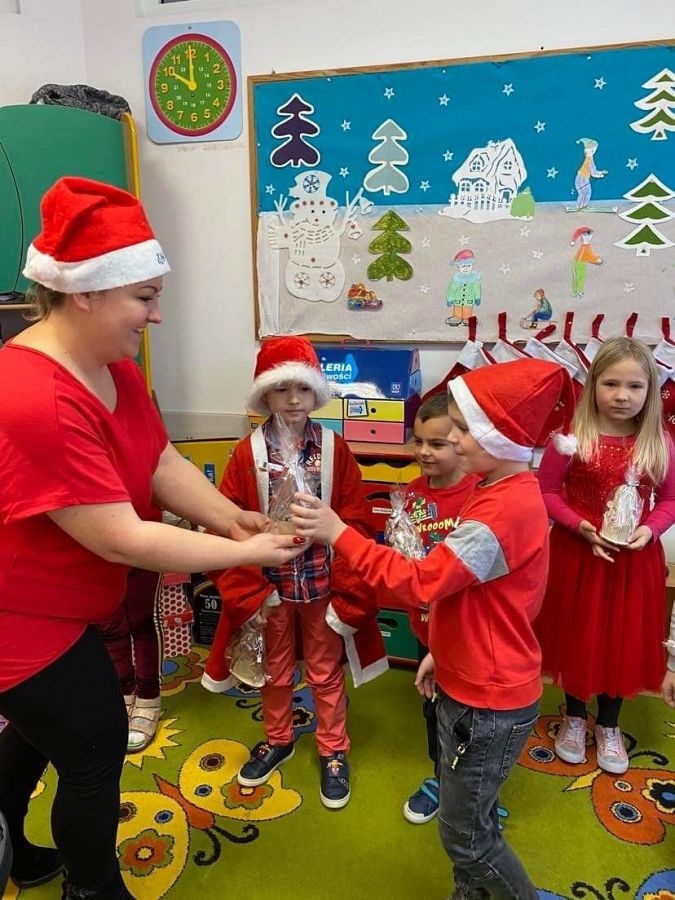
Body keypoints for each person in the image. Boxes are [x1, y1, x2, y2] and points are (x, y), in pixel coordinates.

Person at [0, 176, 305, 900]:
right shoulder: (36, 397)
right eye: (144, 297)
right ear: (86, 292)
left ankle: (15, 844)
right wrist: (246, 552)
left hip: (65, 606)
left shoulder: (113, 367)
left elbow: (159, 461)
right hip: (21, 619)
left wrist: (229, 516)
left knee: (46, 733)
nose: (157, 314)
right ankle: (93, 889)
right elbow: (122, 539)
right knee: (94, 748)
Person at [291, 357, 576, 899]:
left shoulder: (500, 512)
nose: (456, 439)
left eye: (465, 429)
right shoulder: (496, 490)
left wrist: (340, 534)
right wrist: (442, 651)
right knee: (468, 816)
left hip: (488, 701)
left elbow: (422, 582)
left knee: (467, 839)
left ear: (500, 438)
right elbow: (471, 597)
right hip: (470, 679)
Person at [201, 336, 386, 811]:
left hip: (322, 583)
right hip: (272, 589)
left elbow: (356, 515)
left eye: (302, 388)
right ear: (265, 394)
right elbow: (228, 520)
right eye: (281, 389)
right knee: (275, 671)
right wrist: (250, 587)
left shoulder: (334, 448)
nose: (293, 399)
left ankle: (333, 748)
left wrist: (345, 571)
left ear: (315, 393)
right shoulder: (248, 453)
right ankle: (278, 738)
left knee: (325, 671)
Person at [535, 337, 675, 775]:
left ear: (650, 390)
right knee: (579, 636)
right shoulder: (571, 438)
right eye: (611, 384)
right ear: (593, 384)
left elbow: (670, 500)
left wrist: (650, 530)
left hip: (634, 563)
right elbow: (545, 491)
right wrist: (580, 526)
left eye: (634, 386)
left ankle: (610, 724)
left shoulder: (660, 442)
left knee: (621, 639)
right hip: (578, 557)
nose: (622, 395)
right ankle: (575, 717)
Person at [398, 392, 479, 825]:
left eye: (437, 443)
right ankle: (440, 777)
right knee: (432, 707)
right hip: (424, 626)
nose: (424, 452)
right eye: (418, 441)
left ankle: (475, 793)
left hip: (467, 630)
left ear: (462, 442)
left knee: (470, 715)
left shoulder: (480, 493)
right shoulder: (411, 494)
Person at [98, 567, 163, 753]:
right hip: (96, 555)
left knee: (143, 619)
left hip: (142, 553)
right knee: (109, 624)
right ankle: (124, 692)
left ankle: (149, 696)